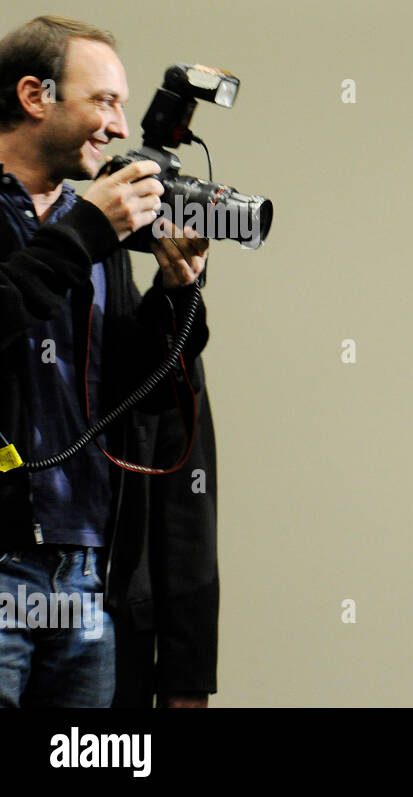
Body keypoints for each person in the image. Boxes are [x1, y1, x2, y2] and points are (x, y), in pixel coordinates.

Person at [0, 16, 215, 707]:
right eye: (104, 102)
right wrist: (89, 229)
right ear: (35, 95)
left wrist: (177, 293)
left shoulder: (90, 225)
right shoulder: (89, 226)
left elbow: (133, 394)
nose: (121, 128)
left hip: (85, 575)